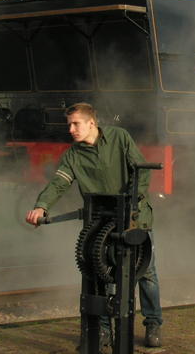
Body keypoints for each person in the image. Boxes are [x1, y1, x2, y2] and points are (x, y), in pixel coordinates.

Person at [25, 103, 163, 349]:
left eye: (75, 123)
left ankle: (153, 323)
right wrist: (42, 206)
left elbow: (142, 171)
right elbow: (59, 183)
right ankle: (104, 332)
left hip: (134, 216)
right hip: (102, 223)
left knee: (146, 273)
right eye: (69, 124)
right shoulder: (73, 155)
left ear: (92, 123)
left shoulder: (119, 138)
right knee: (105, 275)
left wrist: (133, 199)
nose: (71, 129)